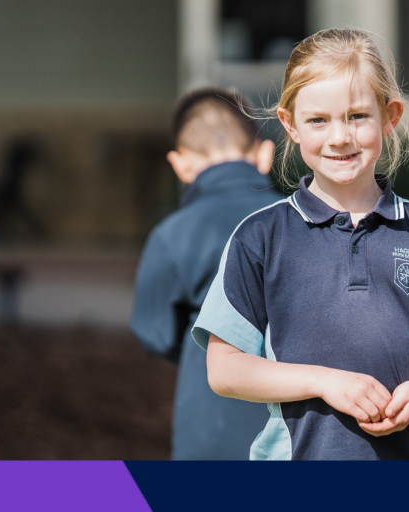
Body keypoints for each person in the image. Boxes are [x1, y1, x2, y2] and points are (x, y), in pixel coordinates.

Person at [190, 28, 409, 460]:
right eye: (318, 120)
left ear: (390, 116)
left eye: (357, 116)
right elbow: (223, 370)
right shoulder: (260, 238)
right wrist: (324, 381)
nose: (339, 137)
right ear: (290, 124)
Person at [130, 88, 280, 460]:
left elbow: (155, 333)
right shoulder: (305, 223)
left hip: (210, 430)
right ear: (264, 155)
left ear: (180, 165)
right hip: (298, 429)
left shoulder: (172, 235)